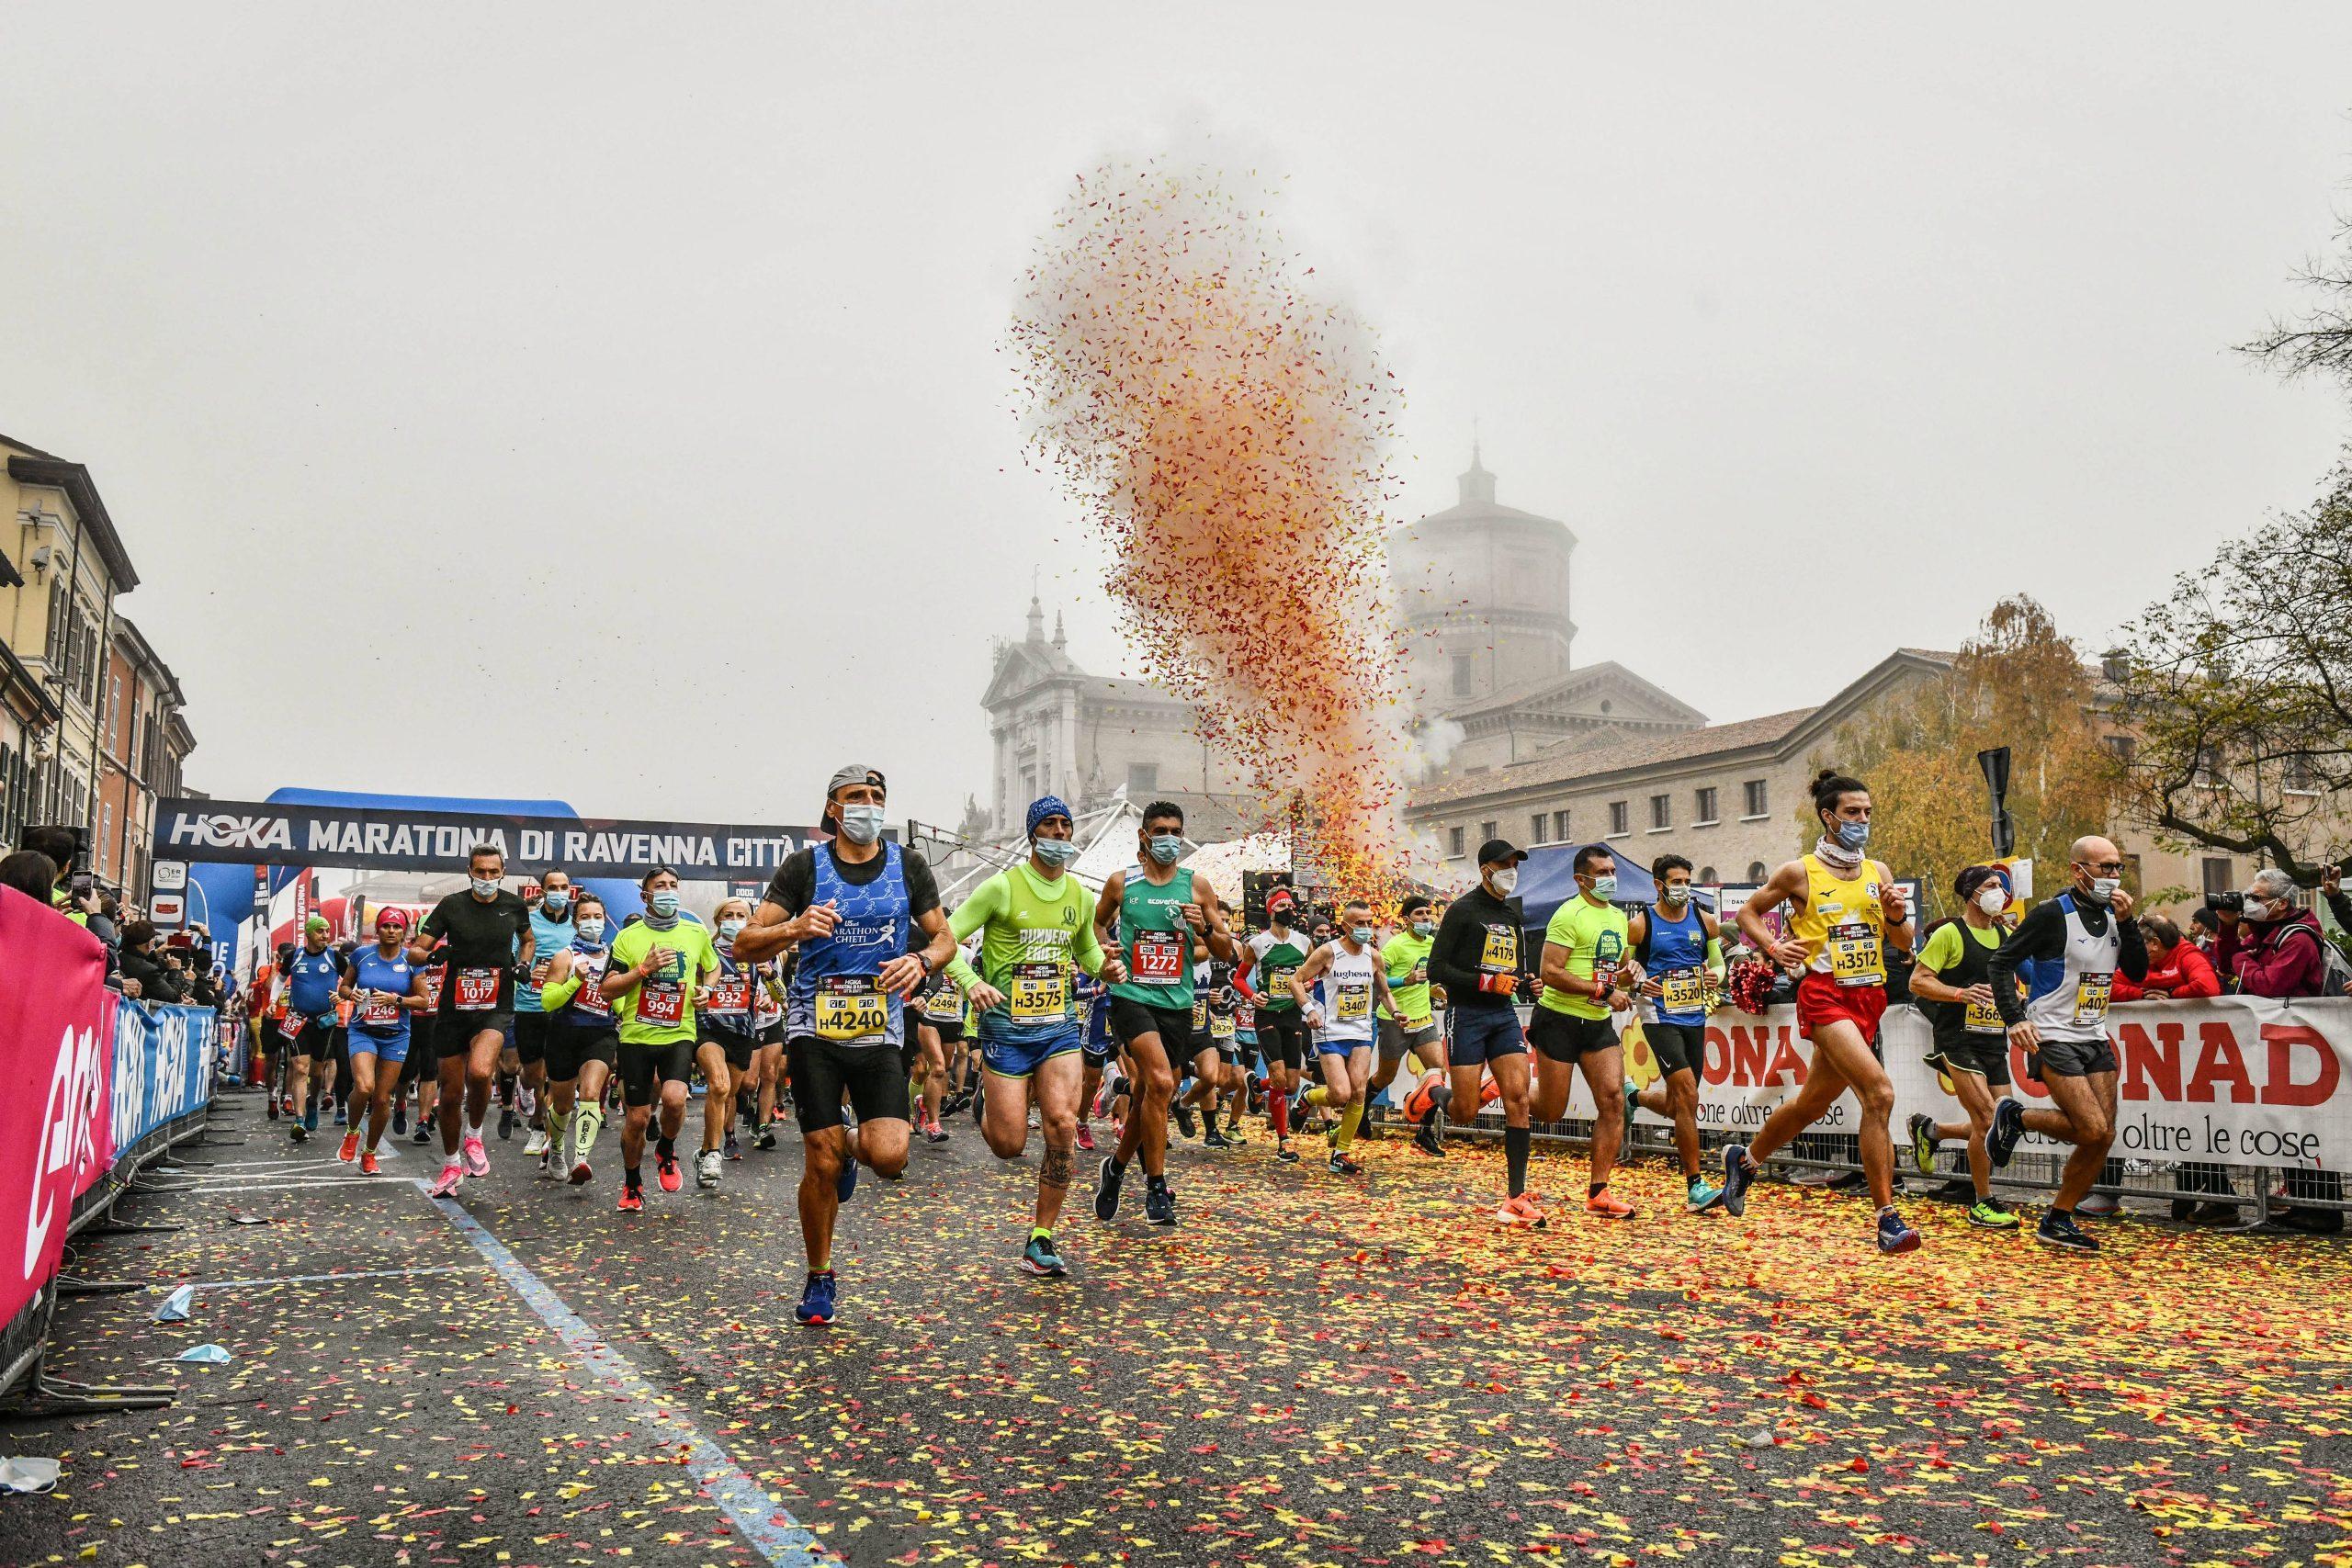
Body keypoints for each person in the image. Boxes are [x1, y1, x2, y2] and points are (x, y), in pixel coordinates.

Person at [733, 764, 957, 1325]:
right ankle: (819, 1276)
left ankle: (854, 1147)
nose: (868, 805)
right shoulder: (804, 868)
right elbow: (743, 944)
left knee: (889, 1157)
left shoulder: (908, 865)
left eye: (877, 796)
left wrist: (922, 960)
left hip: (882, 1030)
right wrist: (792, 929)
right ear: (833, 808)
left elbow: (945, 937)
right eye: (856, 796)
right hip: (814, 1030)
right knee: (819, 1159)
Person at [1724, 770, 1920, 1254]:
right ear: (1829, 816)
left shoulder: (1879, 873)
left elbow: (1902, 943)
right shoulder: (1800, 871)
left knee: (1812, 1104)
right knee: (1879, 1093)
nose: (1863, 820)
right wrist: (1774, 946)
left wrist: (1896, 916)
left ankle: (1743, 1159)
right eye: (1853, 812)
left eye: (1868, 812)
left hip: (1869, 995)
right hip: (1823, 993)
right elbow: (1746, 914)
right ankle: (1887, 1218)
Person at [949, 795, 1125, 1276]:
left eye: (1066, 826)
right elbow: (945, 938)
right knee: (1008, 1145)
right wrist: (972, 982)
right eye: (1049, 825)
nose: (1060, 833)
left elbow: (1087, 951)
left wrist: (1105, 967)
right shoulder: (1001, 888)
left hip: (1058, 1026)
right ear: (1033, 834)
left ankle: (1041, 1236)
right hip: (1006, 1026)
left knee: (1063, 1124)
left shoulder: (1081, 897)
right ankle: (988, 1097)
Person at [1983, 836, 2147, 1253]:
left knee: (2102, 1135)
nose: (2113, 876)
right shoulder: (2052, 914)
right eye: (2104, 867)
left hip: (2094, 1033)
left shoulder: (2115, 915)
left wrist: (2128, 924)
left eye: (2117, 868)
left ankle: (2058, 1219)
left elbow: (2138, 972)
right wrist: (2014, 1019)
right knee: (2091, 1127)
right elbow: (2001, 962)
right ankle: (2018, 1117)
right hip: (2052, 1033)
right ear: (2079, 871)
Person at [1092, 800, 1236, 1222]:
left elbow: (1227, 950)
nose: (1169, 839)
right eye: (1160, 831)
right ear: (1144, 836)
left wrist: (1205, 927)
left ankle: (1115, 1169)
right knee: (1157, 1080)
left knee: (1153, 1094)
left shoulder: (1198, 887)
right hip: (1132, 996)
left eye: (1175, 831)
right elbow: (1097, 924)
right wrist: (1104, 949)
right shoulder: (1122, 883)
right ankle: (1156, 1188)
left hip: (1178, 1003)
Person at [2212, 868, 2340, 1233]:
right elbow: (2227, 964)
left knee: (2305, 1127)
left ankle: (2321, 1208)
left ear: (2281, 903)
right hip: (2277, 1043)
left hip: (2302, 1045)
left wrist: (2242, 962)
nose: (2248, 902)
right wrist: (2226, 927)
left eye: (2256, 897)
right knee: (2285, 1126)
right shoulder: (2265, 933)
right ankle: (2302, 1203)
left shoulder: (2298, 938)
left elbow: (2272, 984)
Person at [1901, 865, 2023, 1231]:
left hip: (1992, 1039)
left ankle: (1931, 1131)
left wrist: (2013, 1001)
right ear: (1971, 893)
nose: (1998, 892)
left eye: (2001, 886)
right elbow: (1918, 981)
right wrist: (1959, 993)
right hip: (1957, 1038)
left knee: (2004, 1120)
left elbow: (2005, 984)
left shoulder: (2003, 933)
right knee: (1987, 1118)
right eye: (1990, 885)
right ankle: (1981, 1202)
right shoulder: (1950, 934)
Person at [1427, 839, 1543, 1224]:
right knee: (1464, 1112)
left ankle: (1515, 1196)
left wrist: (1528, 984)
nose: (1512, 870)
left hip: (1503, 1016)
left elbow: (1515, 973)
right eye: (1504, 864)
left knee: (1519, 1100)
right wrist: (1483, 983)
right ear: (1485, 870)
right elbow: (1436, 969)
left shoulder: (1512, 916)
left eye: (1515, 864)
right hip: (1468, 1015)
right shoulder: (1462, 911)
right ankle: (1432, 1092)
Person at [411, 844, 535, 1198]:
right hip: (454, 1006)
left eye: (493, 872)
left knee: (480, 1072)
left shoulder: (513, 904)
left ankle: (475, 1137)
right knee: (450, 1096)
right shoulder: (452, 905)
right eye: (480, 871)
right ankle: (451, 1165)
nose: (486, 878)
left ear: (502, 873)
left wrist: (523, 963)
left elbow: (527, 940)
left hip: (496, 1001)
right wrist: (436, 952)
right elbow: (415, 950)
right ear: (469, 871)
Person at [595, 869, 720, 1208]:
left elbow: (713, 966)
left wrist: (707, 989)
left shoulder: (695, 933)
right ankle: (632, 1183)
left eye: (673, 886)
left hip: (680, 1032)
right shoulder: (627, 937)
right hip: (636, 1035)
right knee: (637, 1119)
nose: (668, 892)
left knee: (676, 1098)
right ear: (645, 896)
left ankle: (666, 1148)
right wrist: (642, 970)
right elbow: (606, 989)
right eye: (660, 887)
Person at [1528, 847, 1639, 1221]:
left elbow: (1614, 969)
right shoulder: (1567, 914)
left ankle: (1599, 1191)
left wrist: (1630, 974)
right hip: (1558, 1019)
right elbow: (1551, 971)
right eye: (1603, 872)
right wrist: (1603, 991)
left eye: (1613, 870)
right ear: (1581, 879)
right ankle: (1505, 1086)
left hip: (1596, 1024)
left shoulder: (1619, 917)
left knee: (1612, 1100)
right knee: (1550, 1111)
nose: (1611, 877)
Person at [2107, 913, 2231, 1224]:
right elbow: (2107, 987)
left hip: (2197, 1057)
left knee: (2199, 1126)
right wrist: (2141, 995)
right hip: (2152, 1061)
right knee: (2171, 1125)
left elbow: (2208, 986)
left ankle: (2217, 1197)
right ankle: (2195, 1192)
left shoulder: (2187, 953)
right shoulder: (2137, 961)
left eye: (2140, 947)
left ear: (2154, 944)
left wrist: (2173, 995)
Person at [1623, 855, 1728, 1213]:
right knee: (1687, 1093)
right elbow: (1624, 970)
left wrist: (1718, 974)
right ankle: (1695, 1185)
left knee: (1680, 1102)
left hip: (1694, 1016)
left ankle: (1633, 1098)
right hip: (1658, 1016)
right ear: (1658, 885)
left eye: (1687, 880)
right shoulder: (1641, 925)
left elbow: (1717, 961)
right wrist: (1638, 979)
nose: (1683, 888)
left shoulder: (1704, 920)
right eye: (1676, 882)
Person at [1286, 899, 1396, 1176]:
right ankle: (1309, 1097)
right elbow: (1295, 981)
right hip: (1329, 1030)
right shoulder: (1327, 952)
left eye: (1369, 923)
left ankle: (1340, 1154)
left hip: (1360, 1031)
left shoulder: (1374, 956)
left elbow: (1383, 992)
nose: (1366, 928)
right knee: (1340, 1094)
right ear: (1345, 926)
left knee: (1358, 1092)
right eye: (1359, 923)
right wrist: (1309, 1009)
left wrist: (1396, 1013)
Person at [533, 892, 619, 1184]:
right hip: (564, 1034)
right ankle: (556, 1148)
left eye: (597, 917)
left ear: (605, 920)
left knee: (592, 1094)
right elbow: (548, 1001)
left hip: (601, 1033)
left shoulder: (614, 959)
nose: (592, 922)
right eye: (585, 917)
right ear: (575, 921)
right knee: (563, 1105)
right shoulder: (565, 956)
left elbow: (619, 1002)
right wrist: (575, 981)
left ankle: (581, 1159)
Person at [336, 908, 427, 1173]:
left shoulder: (412, 960)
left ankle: (370, 1152)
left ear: (404, 932)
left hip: (396, 1035)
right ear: (377, 930)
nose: (391, 931)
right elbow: (344, 986)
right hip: (363, 1030)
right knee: (364, 1087)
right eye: (386, 926)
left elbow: (424, 1000)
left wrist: (396, 1000)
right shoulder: (362, 955)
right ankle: (352, 1133)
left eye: (396, 927)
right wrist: (350, 994)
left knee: (381, 1098)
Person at [693, 896, 763, 1185]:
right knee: (719, 1086)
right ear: (718, 920)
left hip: (741, 1031)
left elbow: (779, 991)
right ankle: (712, 1154)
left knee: (730, 1092)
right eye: (728, 915)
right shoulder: (704, 951)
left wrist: (770, 980)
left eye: (741, 915)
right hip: (709, 1027)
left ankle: (705, 1150)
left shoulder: (758, 953)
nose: (734, 920)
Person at [1369, 895, 1446, 1156]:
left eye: (1428, 913)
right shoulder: (1395, 947)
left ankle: (1425, 1132)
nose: (1426, 918)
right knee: (1385, 1076)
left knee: (1437, 1072)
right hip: (1394, 1019)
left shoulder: (1434, 944)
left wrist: (1435, 990)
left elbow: (1428, 980)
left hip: (1424, 1019)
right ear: (1406, 920)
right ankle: (1358, 1113)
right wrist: (1405, 980)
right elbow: (1377, 981)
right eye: (1420, 914)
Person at [1245, 889, 1318, 1162]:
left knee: (1290, 1084)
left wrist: (1308, 983)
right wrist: (1253, 995)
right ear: (1271, 910)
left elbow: (1312, 974)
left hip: (1291, 1014)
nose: (1289, 909)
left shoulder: (1304, 942)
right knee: (1279, 1078)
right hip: (1267, 1016)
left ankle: (1256, 1086)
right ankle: (1283, 1140)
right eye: (1283, 905)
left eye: (1291, 904)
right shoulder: (1256, 943)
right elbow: (1240, 978)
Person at [510, 869, 577, 1157]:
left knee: (553, 1075)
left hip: (563, 1008)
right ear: (543, 890)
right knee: (534, 1075)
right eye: (553, 886)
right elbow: (513, 961)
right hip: (530, 1006)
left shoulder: (578, 924)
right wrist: (526, 971)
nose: (559, 891)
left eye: (563, 886)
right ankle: (522, 1085)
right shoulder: (528, 923)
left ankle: (541, 1130)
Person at [280, 917, 347, 1145]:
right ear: (308, 934)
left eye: (327, 931)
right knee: (300, 1067)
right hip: (297, 1019)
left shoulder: (334, 957)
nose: (326, 936)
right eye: (320, 931)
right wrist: (272, 1001)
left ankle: (312, 1102)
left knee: (317, 1071)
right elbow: (280, 979)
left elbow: (351, 981)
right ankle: (298, 1121)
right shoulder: (294, 956)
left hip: (324, 1022)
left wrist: (343, 994)